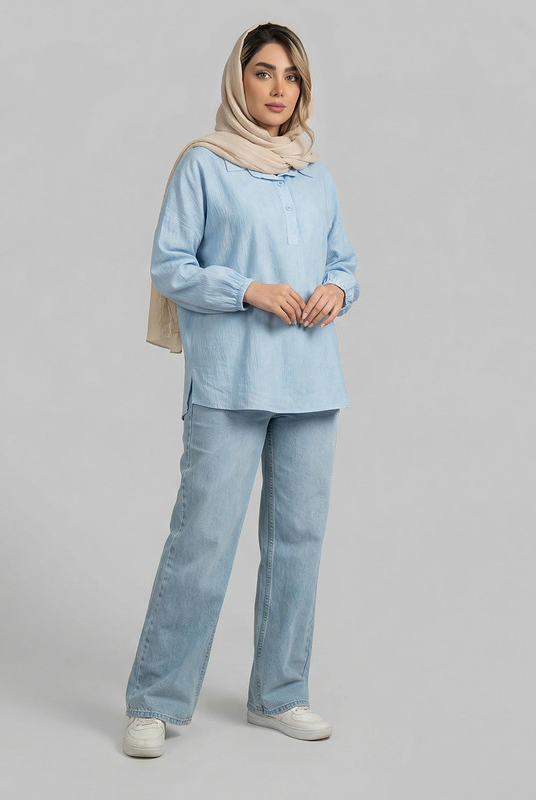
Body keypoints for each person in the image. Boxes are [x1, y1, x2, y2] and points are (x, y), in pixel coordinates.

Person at [123, 22, 359, 758]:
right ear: (238, 79)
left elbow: (345, 264)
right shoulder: (205, 164)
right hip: (231, 380)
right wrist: (247, 289)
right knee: (202, 540)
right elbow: (170, 266)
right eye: (263, 72)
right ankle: (155, 701)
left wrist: (337, 291)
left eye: (291, 77)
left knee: (298, 543)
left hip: (310, 381)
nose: (278, 89)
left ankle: (280, 693)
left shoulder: (315, 175)